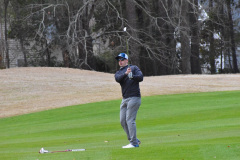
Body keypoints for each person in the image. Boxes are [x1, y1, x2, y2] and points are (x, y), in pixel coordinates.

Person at [114, 53, 143, 148]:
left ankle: (134, 143)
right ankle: (134, 139)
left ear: (127, 60)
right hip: (125, 99)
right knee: (123, 121)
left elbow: (141, 77)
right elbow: (118, 79)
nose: (120, 61)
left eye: (122, 59)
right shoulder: (119, 73)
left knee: (130, 120)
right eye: (119, 60)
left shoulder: (134, 68)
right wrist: (126, 74)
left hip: (134, 97)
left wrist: (132, 76)